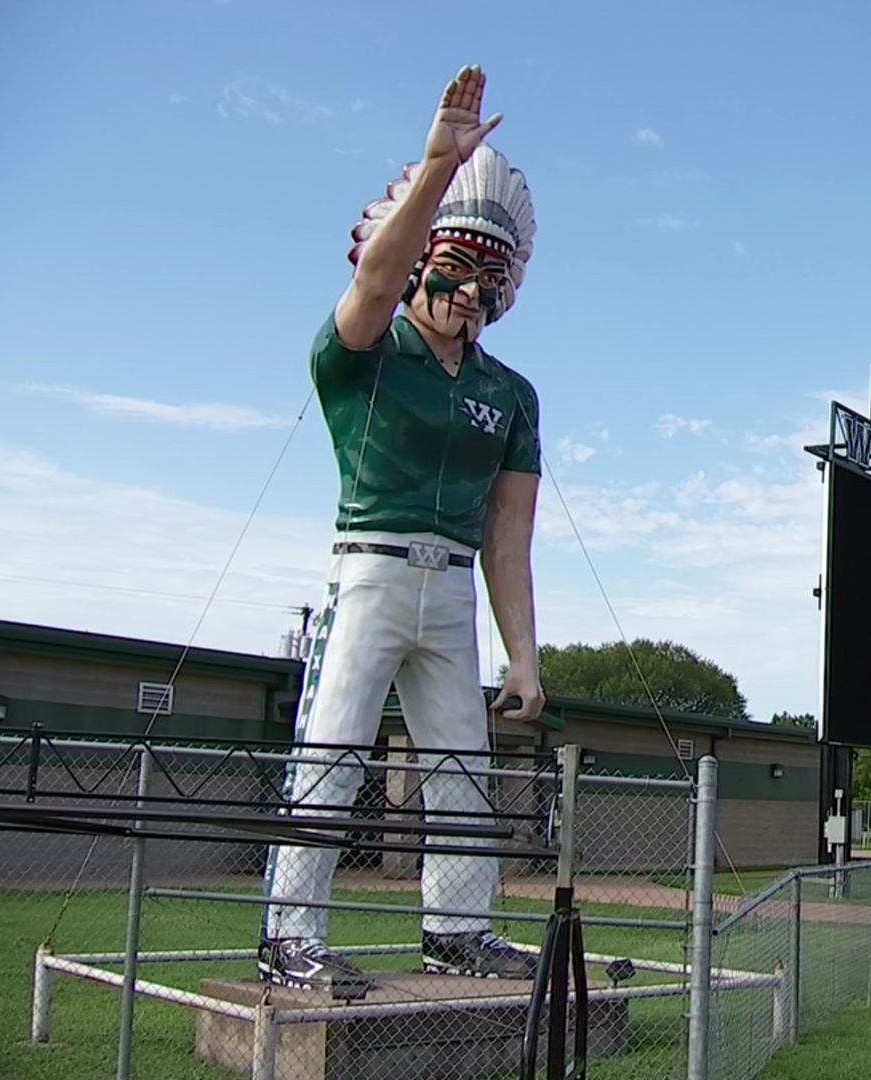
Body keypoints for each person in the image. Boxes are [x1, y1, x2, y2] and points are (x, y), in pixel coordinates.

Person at [259, 65, 548, 996]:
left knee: (461, 762)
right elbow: (372, 283)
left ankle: (458, 928)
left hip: (454, 581)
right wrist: (434, 170)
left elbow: (509, 538)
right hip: (371, 568)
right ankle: (289, 932)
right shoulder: (365, 352)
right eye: (453, 269)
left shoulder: (509, 394)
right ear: (422, 259)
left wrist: (525, 653)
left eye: (487, 279)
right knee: (333, 748)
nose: (468, 294)